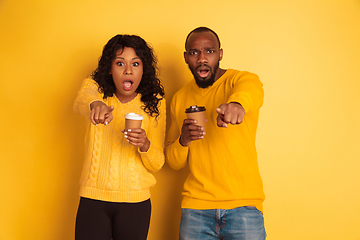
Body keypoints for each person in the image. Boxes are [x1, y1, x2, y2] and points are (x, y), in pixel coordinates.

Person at [165, 27, 266, 239]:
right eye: (194, 53)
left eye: (209, 51)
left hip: (243, 207)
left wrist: (236, 105)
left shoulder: (239, 81)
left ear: (220, 54)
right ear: (186, 57)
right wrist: (184, 140)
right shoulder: (180, 98)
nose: (202, 58)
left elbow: (251, 90)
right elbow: (173, 162)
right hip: (196, 209)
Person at [73, 34, 166, 240]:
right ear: (109, 68)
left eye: (135, 63)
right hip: (93, 198)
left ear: (144, 69)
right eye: (120, 63)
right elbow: (81, 100)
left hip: (136, 204)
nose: (128, 70)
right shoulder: (96, 91)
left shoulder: (154, 103)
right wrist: (94, 105)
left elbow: (157, 162)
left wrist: (145, 145)